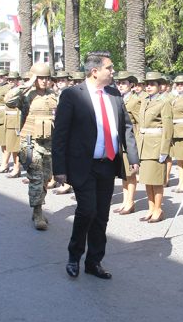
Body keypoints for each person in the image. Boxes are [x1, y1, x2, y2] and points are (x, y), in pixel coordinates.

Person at [52, 52, 139, 279]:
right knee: (86, 211)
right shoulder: (72, 95)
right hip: (83, 164)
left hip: (107, 164)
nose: (113, 72)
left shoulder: (114, 94)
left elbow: (126, 127)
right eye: (109, 69)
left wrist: (133, 157)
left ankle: (94, 261)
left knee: (101, 215)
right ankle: (74, 256)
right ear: (95, 71)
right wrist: (58, 168)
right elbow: (60, 134)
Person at [5, 63, 58, 230]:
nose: (44, 81)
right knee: (36, 177)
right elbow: (9, 100)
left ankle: (39, 206)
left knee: (46, 177)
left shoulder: (54, 96)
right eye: (40, 78)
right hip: (30, 142)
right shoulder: (26, 95)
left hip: (49, 143)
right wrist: (27, 84)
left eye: (47, 78)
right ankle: (37, 212)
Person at [137, 72, 173, 222]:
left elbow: (168, 127)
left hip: (156, 145)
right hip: (144, 145)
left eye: (153, 84)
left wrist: (164, 149)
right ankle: (151, 208)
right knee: (147, 179)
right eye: (147, 84)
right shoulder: (144, 101)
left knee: (157, 180)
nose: (149, 87)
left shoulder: (164, 102)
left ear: (159, 86)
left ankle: (158, 209)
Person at [113, 71, 142, 213]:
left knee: (131, 174)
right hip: (121, 141)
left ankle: (130, 202)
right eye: (119, 83)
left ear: (131, 85)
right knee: (124, 173)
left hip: (131, 141)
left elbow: (140, 122)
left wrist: (136, 143)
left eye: (124, 83)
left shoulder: (135, 101)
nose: (120, 85)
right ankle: (125, 201)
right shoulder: (118, 98)